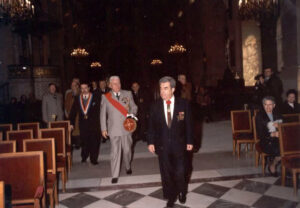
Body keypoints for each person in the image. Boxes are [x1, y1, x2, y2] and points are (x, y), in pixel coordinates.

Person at [147, 76, 193, 208]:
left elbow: (189, 124)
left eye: (165, 88)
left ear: (173, 89)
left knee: (180, 171)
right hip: (162, 145)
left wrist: (190, 141)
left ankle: (182, 192)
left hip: (180, 144)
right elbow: (151, 126)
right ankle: (170, 195)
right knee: (166, 172)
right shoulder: (155, 106)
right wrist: (150, 142)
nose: (162, 92)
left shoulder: (183, 104)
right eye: (161, 88)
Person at [100, 76, 138, 184]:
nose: (118, 85)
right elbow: (102, 114)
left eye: (119, 83)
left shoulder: (128, 93)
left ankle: (127, 165)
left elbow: (134, 107)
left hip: (127, 127)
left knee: (127, 150)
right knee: (115, 152)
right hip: (113, 128)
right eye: (115, 84)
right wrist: (103, 128)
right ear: (110, 85)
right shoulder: (106, 97)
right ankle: (115, 174)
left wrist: (131, 115)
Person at [69, 81, 101, 165]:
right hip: (83, 125)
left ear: (89, 88)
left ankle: (93, 159)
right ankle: (84, 156)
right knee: (84, 142)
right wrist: (71, 123)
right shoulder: (77, 98)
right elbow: (73, 112)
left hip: (94, 124)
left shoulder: (95, 97)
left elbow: (100, 111)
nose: (83, 90)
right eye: (82, 88)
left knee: (94, 142)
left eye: (85, 88)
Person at [255, 96, 282, 176]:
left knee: (289, 148)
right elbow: (260, 133)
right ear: (263, 105)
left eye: (270, 105)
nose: (267, 107)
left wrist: (280, 125)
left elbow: (285, 126)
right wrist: (272, 134)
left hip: (278, 139)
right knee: (281, 151)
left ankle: (287, 168)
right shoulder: (259, 116)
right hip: (266, 141)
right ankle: (273, 165)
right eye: (265, 105)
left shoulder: (278, 114)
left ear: (274, 105)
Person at [65, 81, 81, 149]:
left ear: (77, 86)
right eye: (71, 86)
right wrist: (67, 113)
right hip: (70, 115)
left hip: (78, 116)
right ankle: (73, 143)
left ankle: (78, 144)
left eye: (74, 85)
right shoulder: (69, 94)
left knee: (78, 130)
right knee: (71, 130)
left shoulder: (80, 94)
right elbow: (66, 105)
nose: (72, 87)